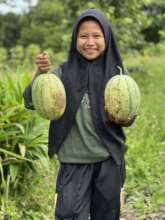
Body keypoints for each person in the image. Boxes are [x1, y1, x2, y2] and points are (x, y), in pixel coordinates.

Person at [23, 9, 136, 220]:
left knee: (107, 215)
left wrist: (124, 118)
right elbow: (31, 100)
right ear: (75, 39)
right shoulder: (62, 73)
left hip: (108, 161)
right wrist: (40, 73)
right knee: (68, 214)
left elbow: (130, 114)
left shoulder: (118, 76)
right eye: (83, 36)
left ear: (107, 38)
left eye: (97, 36)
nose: (90, 42)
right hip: (73, 162)